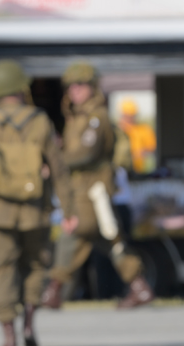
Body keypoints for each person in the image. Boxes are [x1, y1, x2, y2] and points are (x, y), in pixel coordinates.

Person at [0, 59, 72, 346]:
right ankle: (30, 322)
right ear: (21, 88)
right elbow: (59, 169)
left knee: (3, 270)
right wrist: (69, 210)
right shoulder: (40, 121)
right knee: (36, 266)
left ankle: (9, 335)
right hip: (36, 211)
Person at [41, 62, 155, 311]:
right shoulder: (77, 117)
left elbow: (86, 153)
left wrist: (56, 161)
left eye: (80, 85)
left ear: (92, 87)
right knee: (108, 239)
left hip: (92, 191)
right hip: (82, 190)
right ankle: (139, 286)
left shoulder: (96, 117)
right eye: (71, 85)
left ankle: (54, 290)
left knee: (75, 232)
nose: (75, 90)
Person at [118, 98, 157, 175]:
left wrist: (141, 152)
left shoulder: (144, 129)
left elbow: (152, 148)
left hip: (140, 170)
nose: (129, 118)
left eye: (131, 115)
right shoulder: (117, 131)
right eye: (127, 115)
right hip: (121, 170)